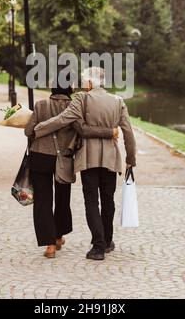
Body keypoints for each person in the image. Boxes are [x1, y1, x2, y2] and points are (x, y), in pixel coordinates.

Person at [34, 67, 136, 261]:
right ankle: (107, 241)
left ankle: (98, 246)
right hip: (110, 158)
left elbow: (63, 119)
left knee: (92, 201)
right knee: (108, 200)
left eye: (83, 82)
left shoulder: (82, 99)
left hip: (88, 158)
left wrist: (39, 128)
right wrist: (131, 159)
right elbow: (128, 132)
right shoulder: (118, 101)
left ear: (89, 83)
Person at [24, 81, 118, 259]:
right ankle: (59, 237)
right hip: (64, 160)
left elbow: (29, 131)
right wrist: (109, 132)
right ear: (69, 89)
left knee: (43, 201)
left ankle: (50, 246)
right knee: (62, 198)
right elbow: (83, 130)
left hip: (40, 157)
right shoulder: (74, 107)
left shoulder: (40, 105)